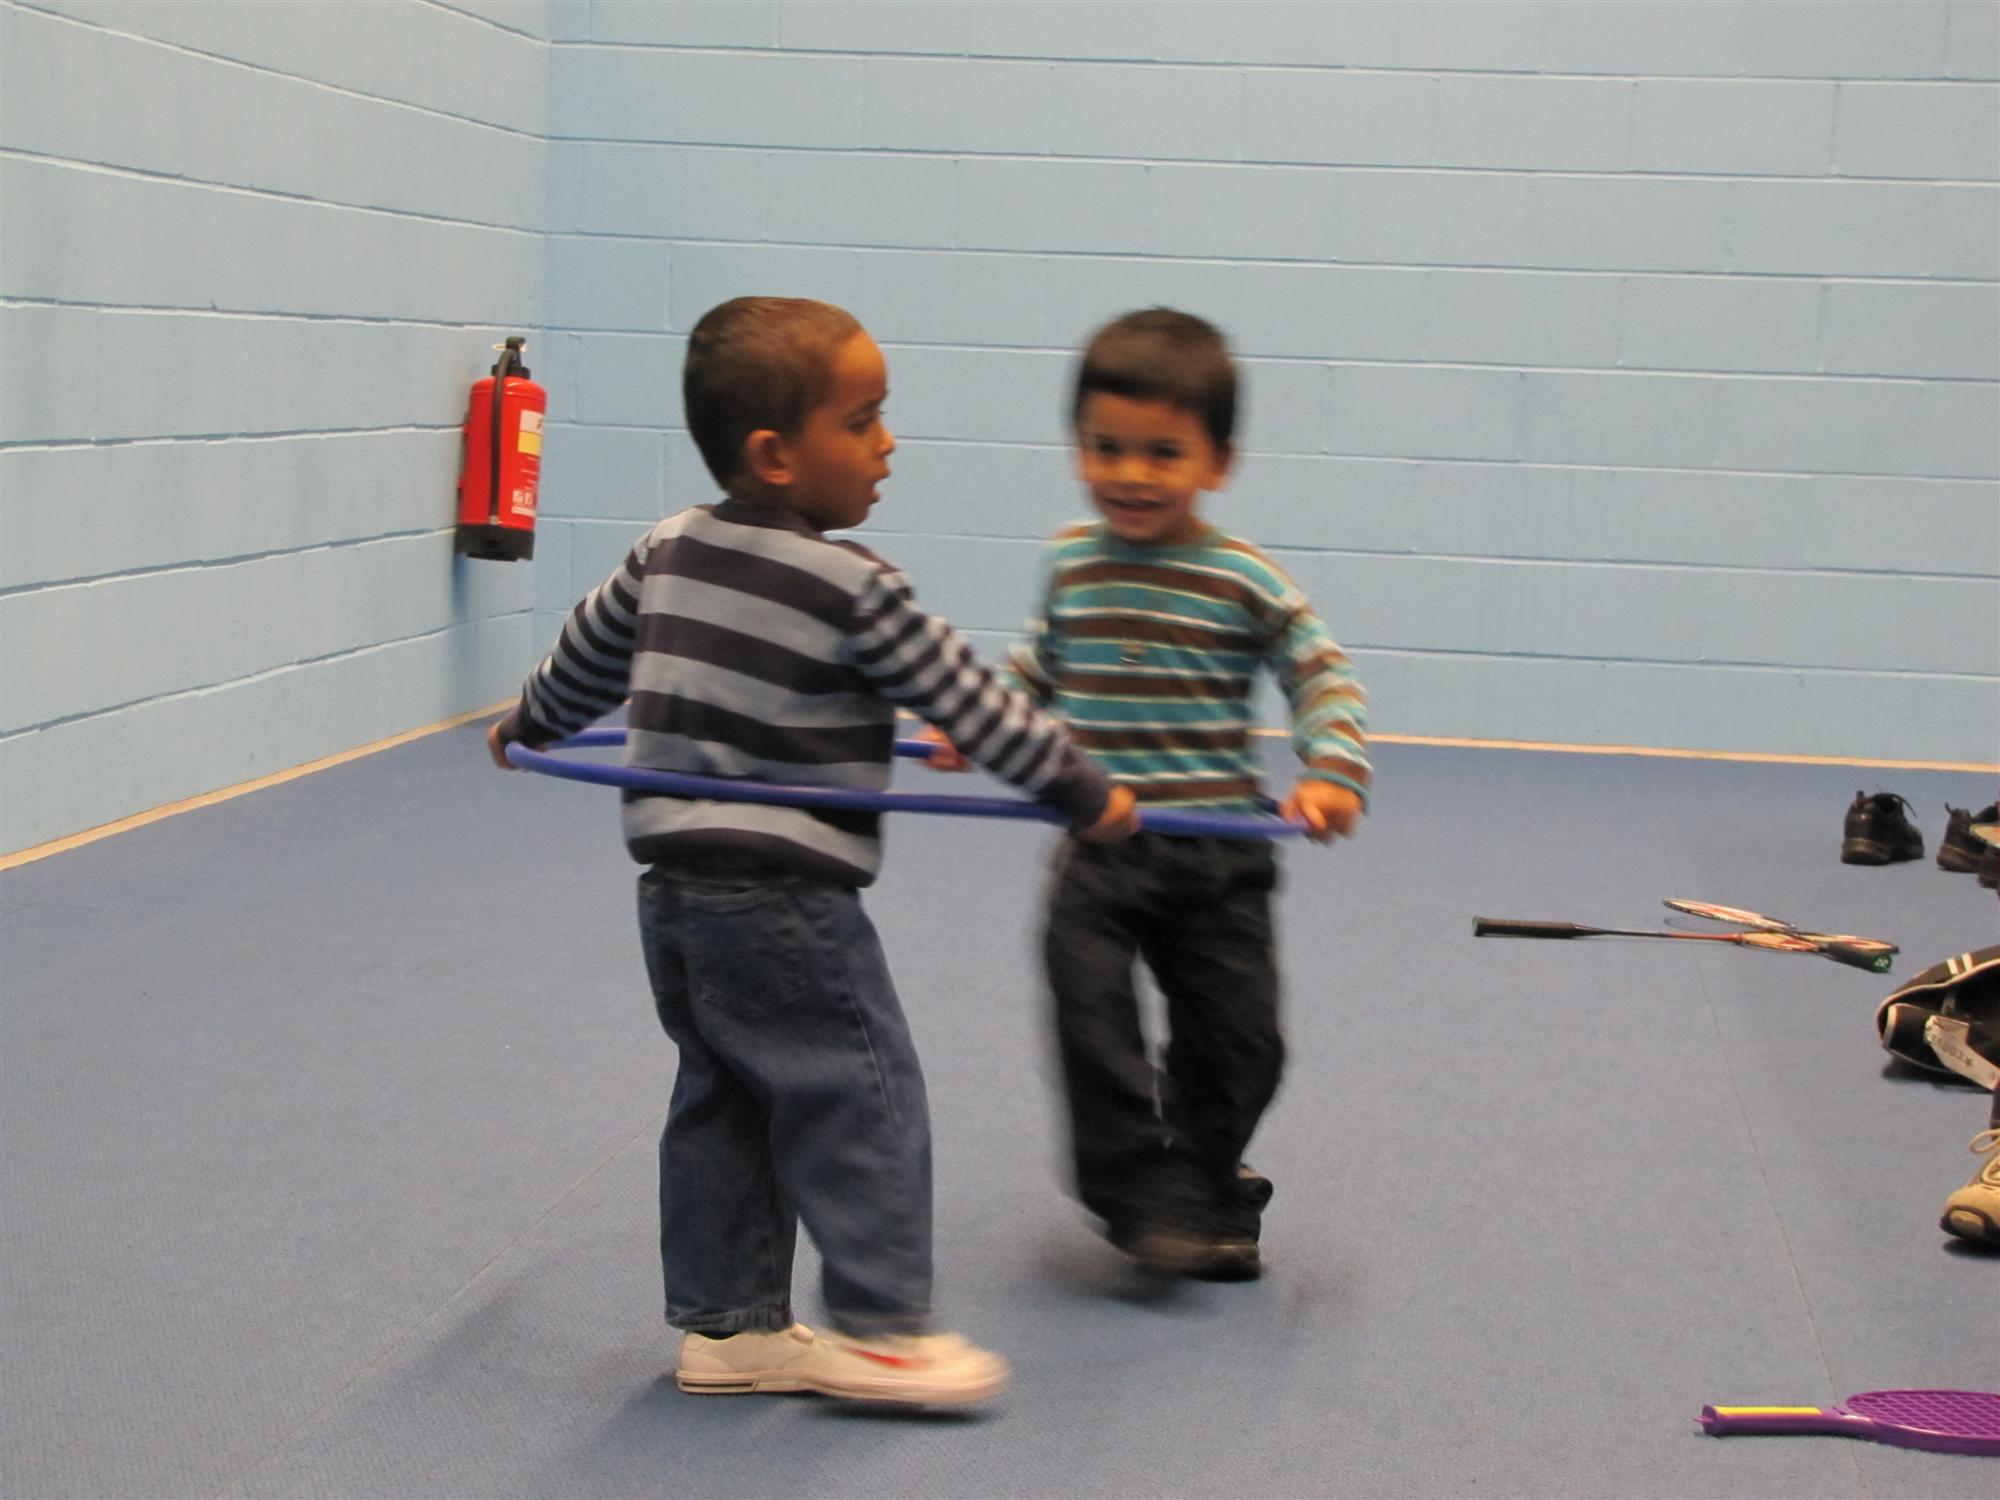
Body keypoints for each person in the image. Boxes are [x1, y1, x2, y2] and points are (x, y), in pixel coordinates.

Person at [487, 297, 1137, 1405]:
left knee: (728, 1096)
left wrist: (530, 722)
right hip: (786, 898)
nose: (889, 443)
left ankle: (729, 1328)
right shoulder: (854, 587)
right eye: (864, 419)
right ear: (775, 455)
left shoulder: (667, 548)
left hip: (674, 896)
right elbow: (972, 701)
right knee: (859, 1091)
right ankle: (882, 1330)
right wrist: (1084, 793)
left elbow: (588, 658)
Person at [928, 308, 1369, 1281]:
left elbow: (1321, 673)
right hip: (1103, 845)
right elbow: (1037, 666)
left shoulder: (1242, 579)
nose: (1130, 474)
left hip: (1217, 852)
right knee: (1090, 1016)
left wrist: (1332, 769)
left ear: (1218, 463)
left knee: (1243, 1045)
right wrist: (977, 721)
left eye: (1163, 453)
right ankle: (1137, 1193)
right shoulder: (1071, 563)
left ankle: (1204, 1178)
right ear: (1077, 447)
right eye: (1106, 448)